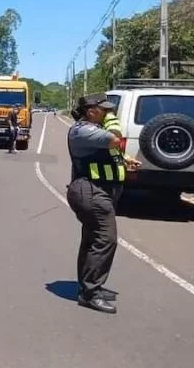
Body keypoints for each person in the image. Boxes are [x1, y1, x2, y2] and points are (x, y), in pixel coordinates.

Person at [67, 93, 141, 314]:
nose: (109, 113)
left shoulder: (93, 130)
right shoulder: (83, 130)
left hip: (100, 191)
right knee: (105, 240)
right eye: (104, 110)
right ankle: (90, 293)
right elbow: (114, 139)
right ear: (91, 111)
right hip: (91, 191)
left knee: (93, 239)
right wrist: (112, 122)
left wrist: (125, 162)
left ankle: (88, 286)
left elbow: (112, 150)